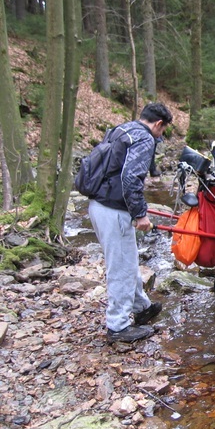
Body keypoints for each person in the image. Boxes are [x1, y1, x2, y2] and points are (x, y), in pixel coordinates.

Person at [88, 102, 173, 343]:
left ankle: (141, 306)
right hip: (113, 209)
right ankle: (118, 326)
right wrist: (140, 214)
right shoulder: (145, 139)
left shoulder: (121, 130)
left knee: (128, 259)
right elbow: (130, 178)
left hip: (99, 204)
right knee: (121, 267)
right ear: (158, 124)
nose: (161, 135)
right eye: (163, 130)